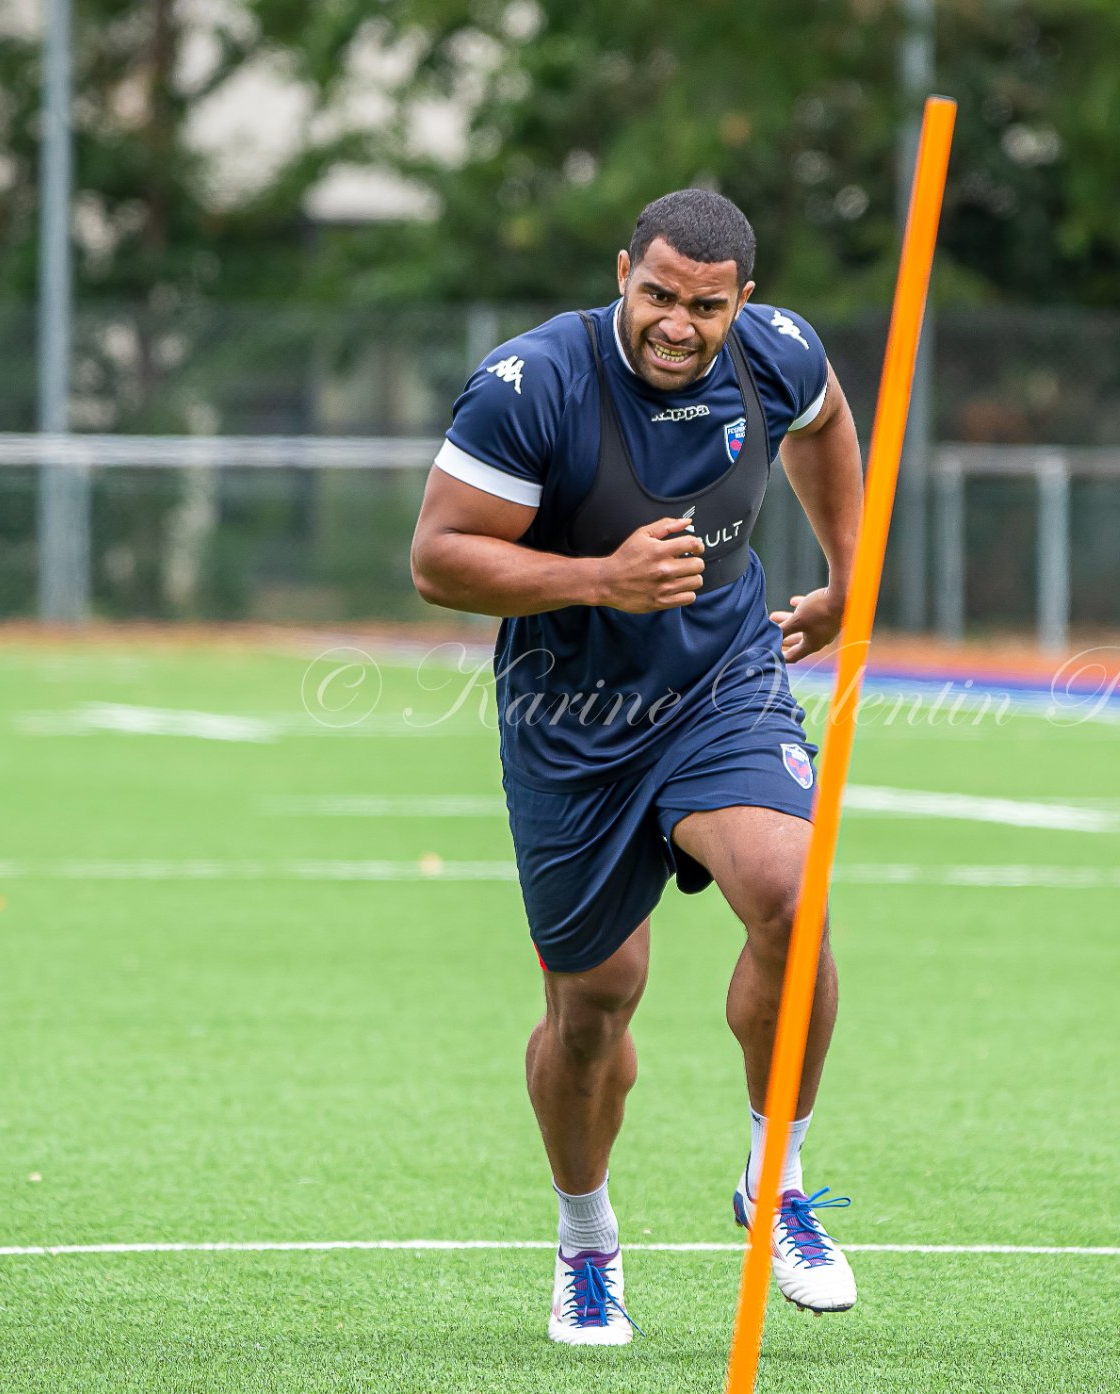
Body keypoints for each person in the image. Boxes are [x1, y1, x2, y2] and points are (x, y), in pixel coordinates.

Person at [409, 189, 865, 1346]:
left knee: (792, 892)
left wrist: (847, 574)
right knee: (591, 1010)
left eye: (704, 306)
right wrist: (597, 579)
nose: (675, 322)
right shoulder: (530, 385)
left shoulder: (775, 353)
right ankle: (585, 1240)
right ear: (623, 272)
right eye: (656, 293)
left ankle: (774, 1181)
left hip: (722, 684)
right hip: (572, 719)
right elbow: (438, 557)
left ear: (741, 302)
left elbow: (824, 418)